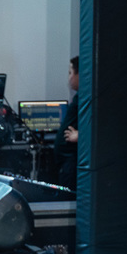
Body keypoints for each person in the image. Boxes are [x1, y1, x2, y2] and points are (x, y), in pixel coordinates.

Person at [53, 56, 80, 189]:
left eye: (70, 73)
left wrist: (81, 136)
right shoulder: (79, 97)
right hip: (66, 163)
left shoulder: (87, 98)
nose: (69, 78)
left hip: (72, 163)